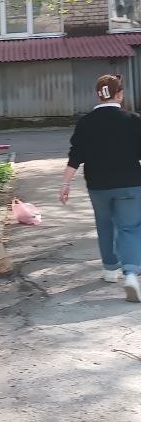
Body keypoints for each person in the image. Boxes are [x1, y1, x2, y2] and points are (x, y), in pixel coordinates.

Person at [60, 73, 141, 301]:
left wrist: (65, 183)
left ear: (98, 95)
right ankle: (131, 274)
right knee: (130, 228)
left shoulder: (86, 123)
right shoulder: (134, 120)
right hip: (131, 185)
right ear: (120, 94)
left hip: (98, 186)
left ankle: (109, 269)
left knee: (104, 225)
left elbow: (75, 156)